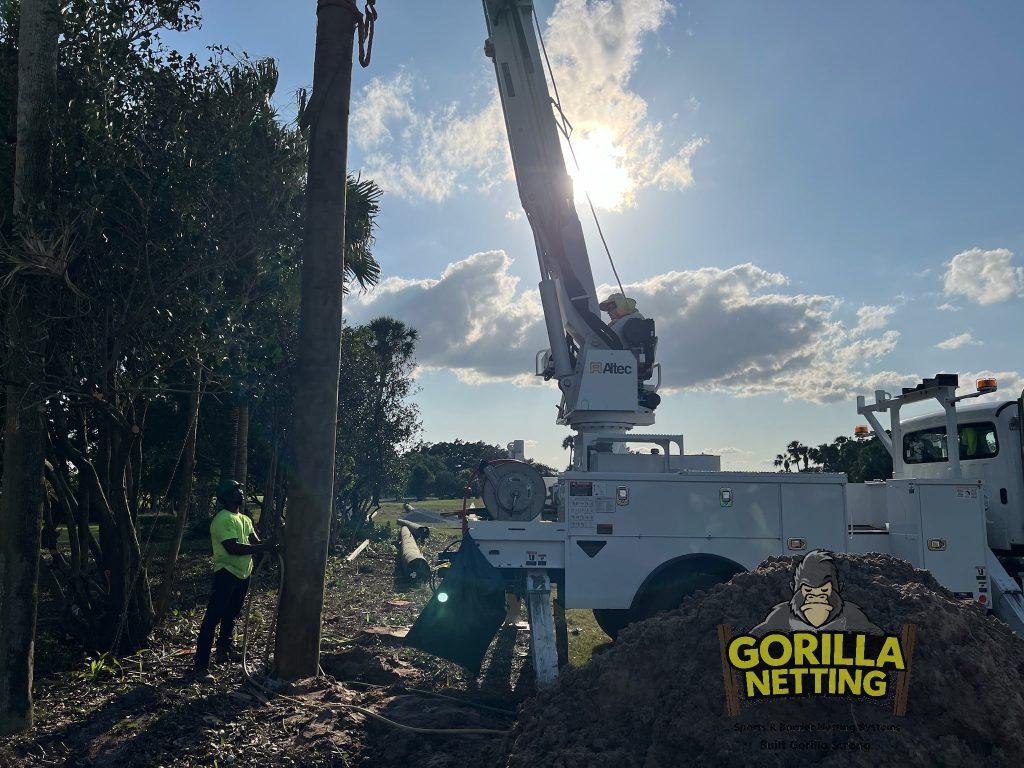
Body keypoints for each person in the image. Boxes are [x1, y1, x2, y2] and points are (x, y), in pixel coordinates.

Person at [193, 478, 277, 682]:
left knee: (231, 614)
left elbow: (254, 542)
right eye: (235, 491)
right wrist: (264, 548)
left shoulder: (245, 519)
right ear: (226, 497)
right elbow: (233, 548)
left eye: (240, 490)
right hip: (226, 572)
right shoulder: (222, 519)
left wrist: (273, 543)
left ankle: (224, 650)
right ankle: (201, 664)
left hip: (243, 573)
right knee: (213, 618)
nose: (240, 493)